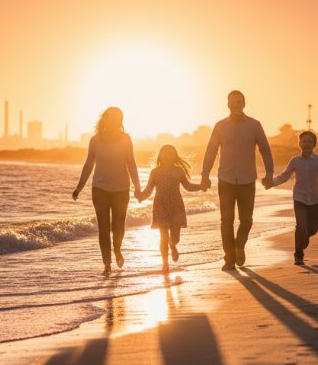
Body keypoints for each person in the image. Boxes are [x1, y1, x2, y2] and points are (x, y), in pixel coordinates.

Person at [200, 90, 274, 270]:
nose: (236, 105)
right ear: (227, 104)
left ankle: (239, 245)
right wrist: (204, 175)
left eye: (239, 102)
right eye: (233, 102)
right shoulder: (220, 126)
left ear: (244, 103)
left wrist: (269, 173)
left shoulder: (255, 125)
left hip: (248, 180)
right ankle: (229, 258)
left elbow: (265, 149)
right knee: (226, 221)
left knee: (246, 220)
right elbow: (211, 151)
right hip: (225, 180)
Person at [73, 107, 141, 275]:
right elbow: (89, 164)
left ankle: (117, 249)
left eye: (119, 118)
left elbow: (131, 163)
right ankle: (107, 263)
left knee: (118, 226)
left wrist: (137, 187)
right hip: (100, 189)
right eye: (113, 118)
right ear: (106, 119)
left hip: (121, 189)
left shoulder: (125, 139)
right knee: (103, 228)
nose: (116, 121)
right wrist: (79, 187)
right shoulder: (95, 140)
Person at [270, 131, 318, 265]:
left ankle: (305, 237)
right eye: (304, 141)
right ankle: (298, 255)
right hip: (299, 198)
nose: (307, 144)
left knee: (313, 229)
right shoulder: (295, 161)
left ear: (314, 145)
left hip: (314, 198)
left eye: (310, 142)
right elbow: (285, 176)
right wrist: (271, 183)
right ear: (299, 144)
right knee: (300, 226)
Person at [136, 144, 200, 273]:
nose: (167, 157)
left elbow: (188, 186)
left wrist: (201, 186)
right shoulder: (155, 172)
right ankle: (165, 264)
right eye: (165, 154)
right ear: (160, 156)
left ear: (175, 157)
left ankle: (173, 245)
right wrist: (141, 196)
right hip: (161, 206)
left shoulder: (178, 171)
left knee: (175, 237)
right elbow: (148, 190)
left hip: (176, 206)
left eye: (170, 154)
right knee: (163, 236)